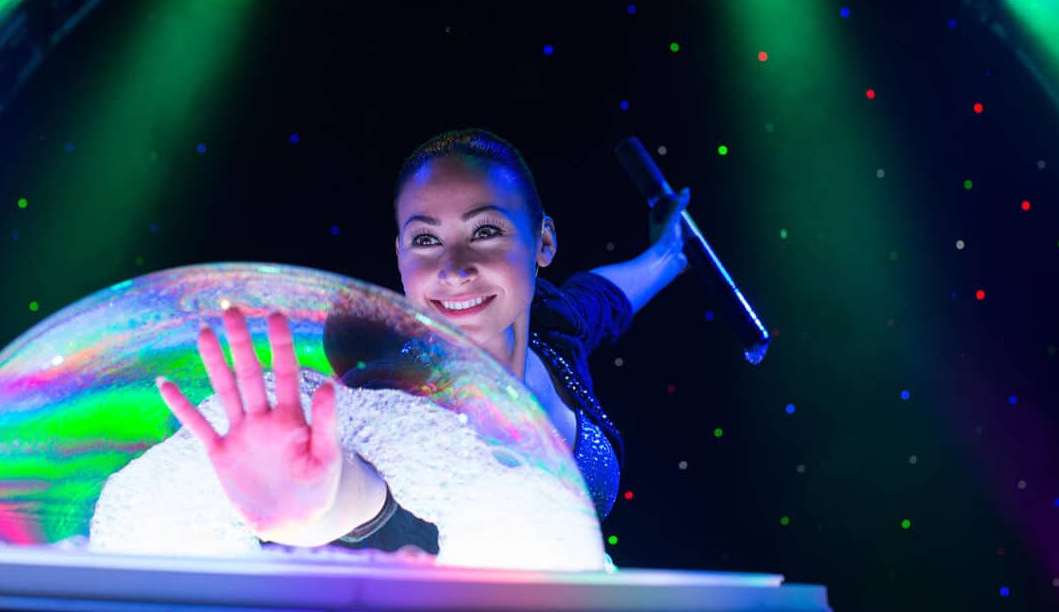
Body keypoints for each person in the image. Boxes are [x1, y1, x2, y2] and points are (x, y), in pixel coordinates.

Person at [156, 128, 691, 555]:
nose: (454, 269)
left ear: (543, 241)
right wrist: (310, 507)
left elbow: (609, 294)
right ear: (400, 256)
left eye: (485, 231)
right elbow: (361, 498)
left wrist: (668, 248)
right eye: (426, 240)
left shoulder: (556, 327)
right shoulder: (387, 398)